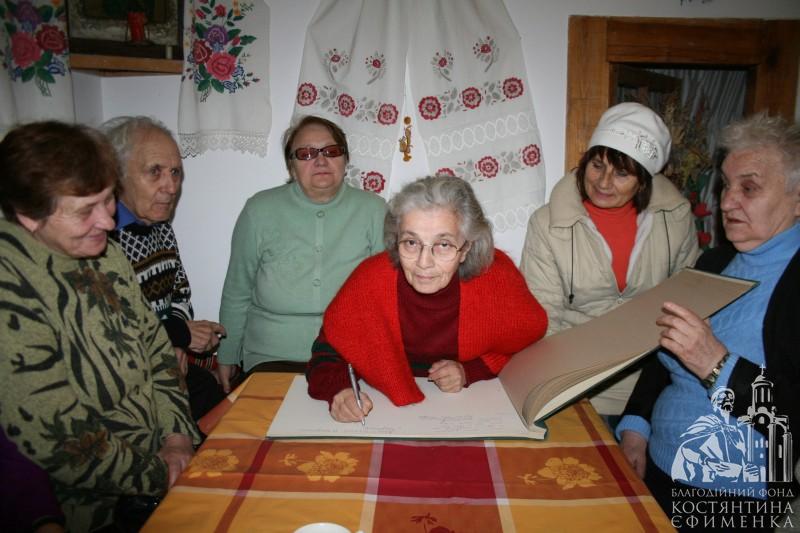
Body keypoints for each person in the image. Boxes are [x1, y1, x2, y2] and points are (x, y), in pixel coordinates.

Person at [0, 121, 200, 531]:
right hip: (90, 507)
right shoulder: (10, 281)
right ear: (28, 216)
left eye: (108, 200)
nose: (108, 223)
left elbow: (156, 348)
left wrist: (178, 438)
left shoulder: (105, 254)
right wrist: (161, 475)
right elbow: (62, 438)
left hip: (162, 461)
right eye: (84, 210)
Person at [617, 113, 800, 529]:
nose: (727, 202)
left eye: (748, 188)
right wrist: (635, 428)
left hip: (733, 498)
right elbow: (664, 353)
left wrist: (717, 365)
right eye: (725, 185)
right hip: (657, 469)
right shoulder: (714, 262)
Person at [306, 176, 548, 422]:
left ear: (466, 249)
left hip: (466, 412)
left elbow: (531, 346)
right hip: (386, 414)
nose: (423, 262)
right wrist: (339, 391)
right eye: (411, 242)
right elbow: (326, 354)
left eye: (443, 244)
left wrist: (470, 371)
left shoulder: (497, 280)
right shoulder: (370, 280)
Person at [520, 102, 699, 422]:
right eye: (597, 165)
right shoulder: (548, 224)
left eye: (621, 173)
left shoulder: (676, 219)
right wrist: (560, 390)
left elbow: (687, 304)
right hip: (574, 384)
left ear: (644, 179)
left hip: (651, 386)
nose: (603, 182)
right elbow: (542, 317)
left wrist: (647, 405)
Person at [217, 115, 386, 391]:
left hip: (347, 358)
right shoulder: (258, 210)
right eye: (306, 153)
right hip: (270, 358)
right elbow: (238, 290)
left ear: (345, 160)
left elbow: (386, 295)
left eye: (331, 151)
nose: (320, 161)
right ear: (291, 167)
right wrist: (227, 355)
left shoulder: (374, 210)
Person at [103, 116, 227, 420]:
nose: (171, 187)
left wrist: (178, 343)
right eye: (154, 172)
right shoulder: (100, 238)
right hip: (122, 373)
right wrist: (177, 337)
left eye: (175, 172)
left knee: (218, 406)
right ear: (117, 174)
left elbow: (180, 294)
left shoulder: (160, 228)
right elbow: (111, 324)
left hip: (164, 354)